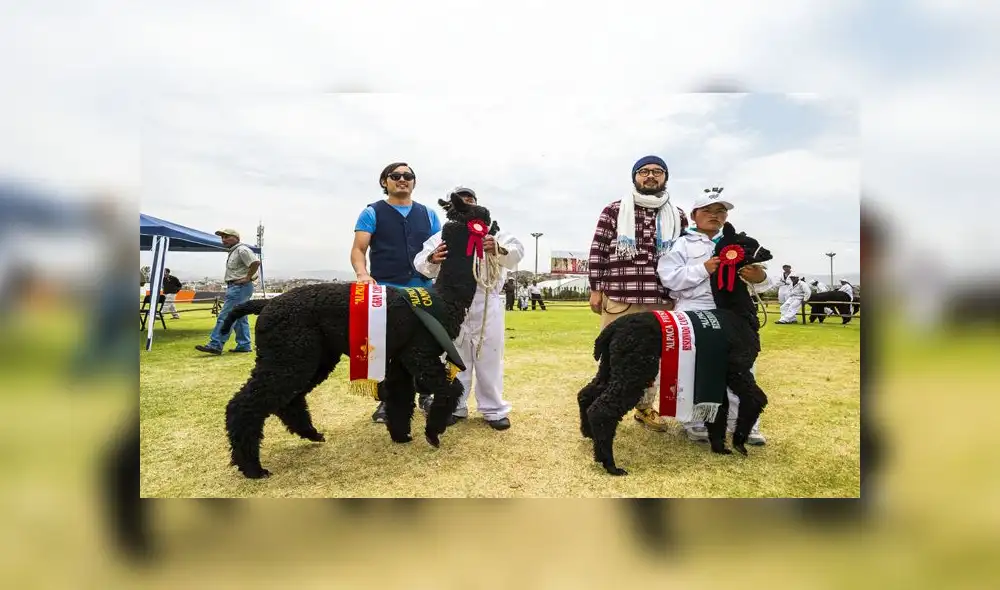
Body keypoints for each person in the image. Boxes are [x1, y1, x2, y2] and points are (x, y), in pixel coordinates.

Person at [657, 191, 770, 445]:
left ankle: (744, 422)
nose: (714, 216)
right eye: (708, 211)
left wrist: (759, 278)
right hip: (694, 308)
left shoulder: (740, 243)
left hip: (733, 312)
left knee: (741, 366)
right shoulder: (681, 244)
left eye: (720, 211)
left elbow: (764, 279)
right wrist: (703, 268)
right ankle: (695, 421)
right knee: (694, 365)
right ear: (694, 215)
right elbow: (668, 278)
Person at [587, 155, 685, 431]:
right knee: (613, 357)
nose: (650, 176)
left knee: (653, 359)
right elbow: (597, 251)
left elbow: (683, 255)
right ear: (635, 177)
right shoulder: (615, 210)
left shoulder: (677, 215)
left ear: (665, 177)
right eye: (644, 171)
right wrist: (595, 289)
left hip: (661, 298)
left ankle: (644, 408)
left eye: (657, 171)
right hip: (620, 296)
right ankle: (603, 408)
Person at [414, 187, 524, 430]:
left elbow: (517, 253)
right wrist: (433, 258)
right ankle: (456, 405)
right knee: (455, 356)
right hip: (454, 303)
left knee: (490, 358)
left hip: (488, 301)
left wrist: (498, 248)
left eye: (470, 199)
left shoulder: (494, 231)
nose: (466, 202)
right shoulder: (443, 235)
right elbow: (420, 263)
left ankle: (493, 409)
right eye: (461, 200)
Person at [350, 162, 443, 423]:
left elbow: (439, 250)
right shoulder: (372, 212)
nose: (402, 179)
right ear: (384, 182)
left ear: (414, 182)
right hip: (387, 291)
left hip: (424, 290)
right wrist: (363, 274)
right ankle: (388, 401)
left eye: (408, 176)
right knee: (386, 348)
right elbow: (359, 250)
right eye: (395, 176)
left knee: (426, 346)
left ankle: (425, 394)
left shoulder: (429, 215)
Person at [195, 229, 260, 355]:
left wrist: (247, 278)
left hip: (240, 287)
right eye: (222, 237)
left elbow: (255, 262)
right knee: (240, 317)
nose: (223, 240)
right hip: (239, 287)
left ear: (236, 237)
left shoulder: (242, 249)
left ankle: (215, 344)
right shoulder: (235, 251)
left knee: (225, 316)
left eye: (226, 237)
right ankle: (244, 345)